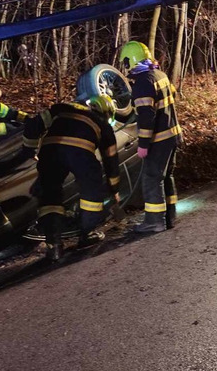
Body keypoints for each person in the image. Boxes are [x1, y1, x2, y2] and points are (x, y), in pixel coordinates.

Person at [23, 94, 120, 260]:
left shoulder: (60, 109)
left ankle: (54, 245)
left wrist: (29, 150)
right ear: (106, 112)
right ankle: (87, 233)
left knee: (50, 196)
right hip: (80, 154)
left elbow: (33, 124)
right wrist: (114, 188)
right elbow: (111, 160)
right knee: (92, 191)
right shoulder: (103, 125)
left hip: (50, 151)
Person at [117, 41, 182, 234]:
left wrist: (143, 144)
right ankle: (169, 217)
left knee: (151, 178)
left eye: (125, 62)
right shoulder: (159, 75)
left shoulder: (143, 83)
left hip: (159, 140)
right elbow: (172, 98)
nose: (125, 67)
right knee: (166, 176)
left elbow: (146, 118)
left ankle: (155, 222)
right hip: (173, 135)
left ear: (130, 61)